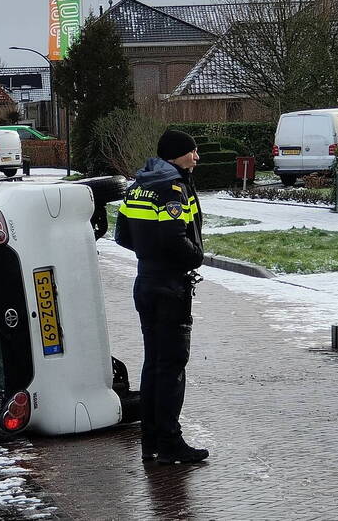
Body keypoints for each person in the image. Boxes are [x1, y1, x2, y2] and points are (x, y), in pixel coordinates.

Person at [114, 129, 209, 465]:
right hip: (171, 288)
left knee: (153, 364)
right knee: (171, 367)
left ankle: (150, 441)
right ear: (175, 155)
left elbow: (122, 235)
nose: (196, 157)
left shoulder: (138, 185)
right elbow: (174, 238)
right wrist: (195, 256)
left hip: (145, 283)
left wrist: (149, 254)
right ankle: (170, 442)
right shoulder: (173, 187)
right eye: (191, 152)